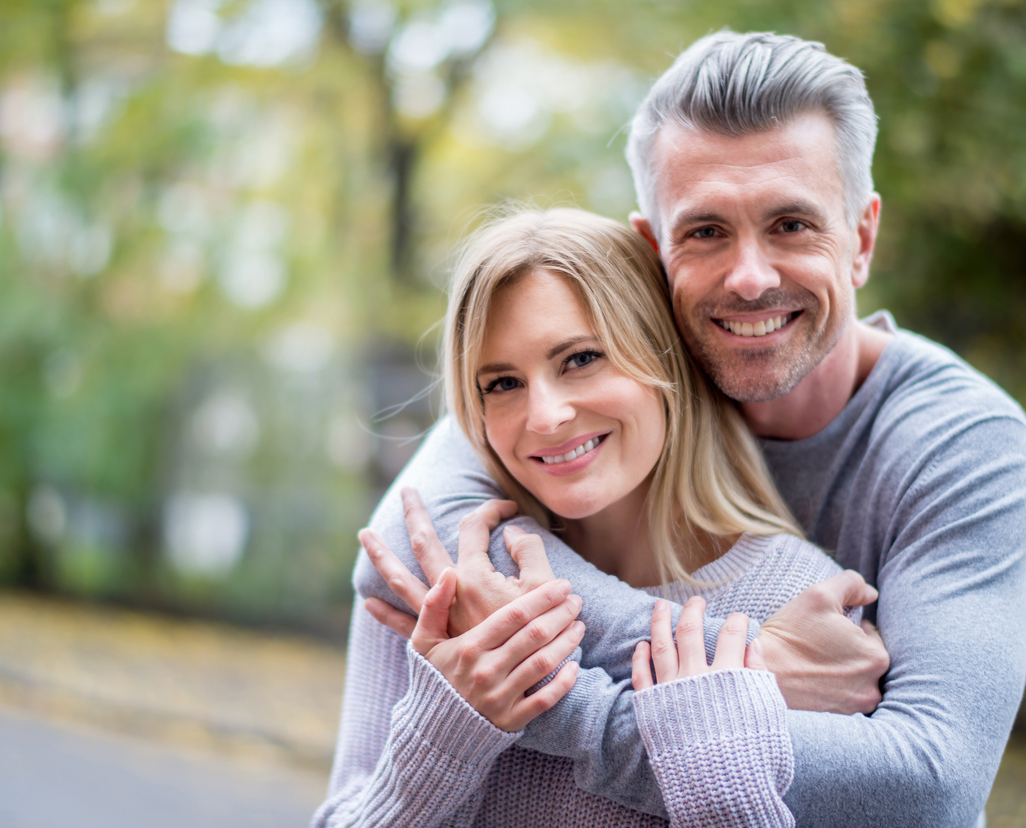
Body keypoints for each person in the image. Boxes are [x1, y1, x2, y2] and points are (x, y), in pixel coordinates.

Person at [353, 29, 1026, 827]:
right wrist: (750, 663)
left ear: (861, 238)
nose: (749, 277)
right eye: (706, 231)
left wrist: (562, 701)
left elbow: (927, 786)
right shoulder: (608, 371)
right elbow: (408, 549)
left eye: (791, 224)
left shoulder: (957, 441)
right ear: (654, 251)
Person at [314, 207, 867, 827]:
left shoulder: (809, 615)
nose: (544, 416)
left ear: (664, 359)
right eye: (501, 384)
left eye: (580, 359)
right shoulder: (454, 588)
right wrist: (446, 733)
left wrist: (714, 790)